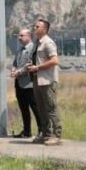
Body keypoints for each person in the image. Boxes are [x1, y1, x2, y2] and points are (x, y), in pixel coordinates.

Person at [25, 17, 62, 145]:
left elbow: (54, 60)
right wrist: (31, 65)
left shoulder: (48, 42)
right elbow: (37, 59)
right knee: (41, 108)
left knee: (51, 108)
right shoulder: (36, 43)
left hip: (47, 80)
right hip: (37, 80)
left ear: (45, 29)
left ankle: (57, 135)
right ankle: (45, 133)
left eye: (37, 27)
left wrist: (38, 67)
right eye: (35, 26)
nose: (35, 28)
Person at [8, 28, 38, 138]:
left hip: (29, 84)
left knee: (35, 108)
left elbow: (29, 65)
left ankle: (41, 131)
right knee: (23, 109)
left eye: (22, 36)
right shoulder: (19, 50)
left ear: (29, 36)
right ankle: (26, 131)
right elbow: (15, 62)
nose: (19, 38)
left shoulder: (33, 49)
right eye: (19, 36)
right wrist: (13, 70)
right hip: (19, 84)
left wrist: (18, 72)